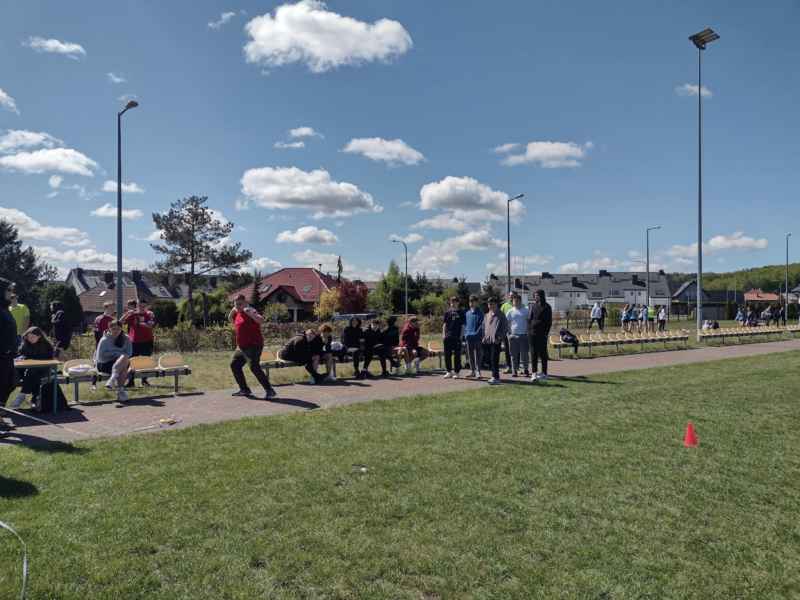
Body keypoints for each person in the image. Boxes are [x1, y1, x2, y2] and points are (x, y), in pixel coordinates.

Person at [228, 295, 276, 399]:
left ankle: (269, 390)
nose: (237, 306)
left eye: (239, 304)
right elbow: (231, 320)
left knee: (254, 367)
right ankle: (244, 390)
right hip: (241, 347)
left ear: (245, 303)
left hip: (253, 345)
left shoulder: (250, 310)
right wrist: (233, 311)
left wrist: (250, 313)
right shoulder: (238, 313)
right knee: (234, 365)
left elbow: (261, 320)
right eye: (235, 304)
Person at [10, 327, 55, 408]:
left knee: (31, 372)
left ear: (39, 336)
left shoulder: (46, 345)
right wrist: (20, 357)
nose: (30, 339)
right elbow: (22, 354)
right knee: (15, 371)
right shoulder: (25, 344)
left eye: (33, 337)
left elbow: (44, 360)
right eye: (28, 337)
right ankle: (9, 390)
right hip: (28, 368)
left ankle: (22, 395)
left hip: (44, 369)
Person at [94, 320, 133, 402]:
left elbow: (129, 353)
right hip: (105, 363)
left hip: (122, 362)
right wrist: (117, 354)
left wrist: (119, 356)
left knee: (124, 358)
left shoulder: (126, 338)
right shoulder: (104, 339)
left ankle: (112, 379)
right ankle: (120, 392)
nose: (116, 331)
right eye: (114, 329)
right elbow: (101, 357)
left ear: (121, 329)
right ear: (109, 329)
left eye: (118, 329)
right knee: (123, 366)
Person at [121, 299, 156, 387]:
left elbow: (150, 325)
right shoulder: (132, 314)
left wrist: (140, 323)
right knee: (132, 362)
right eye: (140, 306)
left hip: (147, 341)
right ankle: (131, 381)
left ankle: (144, 380)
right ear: (137, 306)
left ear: (147, 307)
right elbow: (121, 322)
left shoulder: (149, 315)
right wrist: (127, 313)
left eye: (144, 306)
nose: (142, 308)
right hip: (134, 342)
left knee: (146, 361)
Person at [0, 278, 18, 431]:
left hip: (8, 355)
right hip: (1, 355)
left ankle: (0, 417)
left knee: (10, 383)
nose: (11, 293)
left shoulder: (5, 308)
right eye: (8, 290)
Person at [527, 289, 553, 382]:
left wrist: (546, 333)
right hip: (532, 333)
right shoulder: (532, 306)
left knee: (543, 354)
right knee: (533, 353)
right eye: (535, 295)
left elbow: (549, 322)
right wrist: (529, 330)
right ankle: (534, 373)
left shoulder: (547, 307)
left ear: (542, 296)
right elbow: (529, 319)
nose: (535, 297)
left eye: (537, 295)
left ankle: (544, 373)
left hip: (542, 334)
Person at [483, 298, 508, 385]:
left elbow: (505, 327)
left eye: (493, 304)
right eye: (489, 304)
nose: (491, 306)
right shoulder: (487, 315)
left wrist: (499, 338)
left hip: (496, 341)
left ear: (496, 304)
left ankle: (496, 377)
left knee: (494, 359)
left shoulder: (501, 315)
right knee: (489, 359)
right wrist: (484, 337)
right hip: (487, 341)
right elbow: (484, 327)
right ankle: (493, 376)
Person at [506, 293, 530, 377]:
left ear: (520, 301)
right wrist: (508, 334)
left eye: (517, 301)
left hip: (524, 335)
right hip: (513, 336)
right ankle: (514, 370)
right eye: (514, 301)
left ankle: (526, 369)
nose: (516, 302)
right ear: (512, 302)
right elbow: (506, 323)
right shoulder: (510, 311)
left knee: (524, 355)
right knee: (513, 355)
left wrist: (528, 333)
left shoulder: (526, 310)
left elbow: (529, 322)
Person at [442, 296, 465, 379]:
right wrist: (443, 335)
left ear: (458, 303)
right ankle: (449, 371)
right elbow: (444, 324)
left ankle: (457, 372)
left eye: (455, 302)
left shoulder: (461, 312)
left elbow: (463, 326)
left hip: (457, 337)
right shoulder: (447, 312)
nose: (453, 303)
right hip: (448, 337)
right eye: (452, 302)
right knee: (447, 355)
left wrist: (461, 336)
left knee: (457, 355)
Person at [463, 295, 484, 379]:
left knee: (478, 355)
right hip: (469, 338)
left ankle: (478, 371)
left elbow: (482, 325)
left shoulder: (480, 313)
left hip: (477, 337)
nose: (471, 303)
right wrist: (466, 334)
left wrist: (476, 333)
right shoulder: (467, 313)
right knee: (470, 355)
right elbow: (465, 325)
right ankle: (472, 371)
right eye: (470, 301)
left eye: (473, 301)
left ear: (476, 302)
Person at [500, 292, 514, 374]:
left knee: (516, 350)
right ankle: (509, 366)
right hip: (506, 331)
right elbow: (500, 316)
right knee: (507, 349)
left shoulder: (519, 305)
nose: (511, 297)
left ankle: (516, 367)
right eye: (510, 296)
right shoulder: (504, 305)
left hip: (516, 331)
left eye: (513, 296)